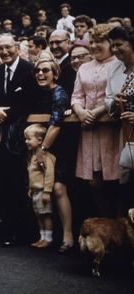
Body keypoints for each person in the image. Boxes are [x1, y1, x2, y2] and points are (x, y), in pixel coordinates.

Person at [0, 34, 41, 246]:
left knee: (21, 183)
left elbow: (30, 102)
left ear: (17, 48)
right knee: (4, 182)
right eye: (1, 49)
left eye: (8, 48)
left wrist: (5, 114)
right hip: (2, 136)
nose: (4, 52)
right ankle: (7, 227)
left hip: (22, 135)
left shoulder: (29, 69)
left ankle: (23, 231)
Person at [71, 23, 122, 218]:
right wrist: (81, 112)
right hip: (88, 129)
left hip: (111, 128)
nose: (94, 46)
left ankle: (120, 227)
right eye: (92, 42)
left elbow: (118, 95)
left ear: (111, 43)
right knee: (93, 181)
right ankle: (105, 223)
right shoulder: (84, 67)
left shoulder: (119, 63)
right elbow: (76, 95)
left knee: (115, 179)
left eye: (100, 41)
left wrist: (98, 112)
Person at [34, 58, 74, 253]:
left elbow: (56, 123)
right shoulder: (39, 93)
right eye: (38, 71)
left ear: (55, 74)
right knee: (41, 189)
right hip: (42, 146)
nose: (40, 74)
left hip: (59, 146)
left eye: (45, 70)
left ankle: (68, 235)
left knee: (58, 189)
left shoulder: (59, 93)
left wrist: (43, 149)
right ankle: (47, 235)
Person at [105, 26, 134, 213]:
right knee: (127, 181)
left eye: (119, 45)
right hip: (126, 133)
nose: (114, 50)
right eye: (112, 46)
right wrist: (114, 103)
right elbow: (107, 97)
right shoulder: (114, 67)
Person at [24, 124, 56, 248]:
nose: (26, 141)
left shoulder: (44, 157)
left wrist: (47, 191)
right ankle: (42, 237)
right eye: (25, 139)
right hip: (35, 191)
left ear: (40, 140)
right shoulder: (32, 156)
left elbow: (49, 174)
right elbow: (33, 175)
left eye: (29, 139)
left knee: (46, 215)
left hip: (43, 191)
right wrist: (31, 188)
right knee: (38, 215)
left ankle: (48, 239)